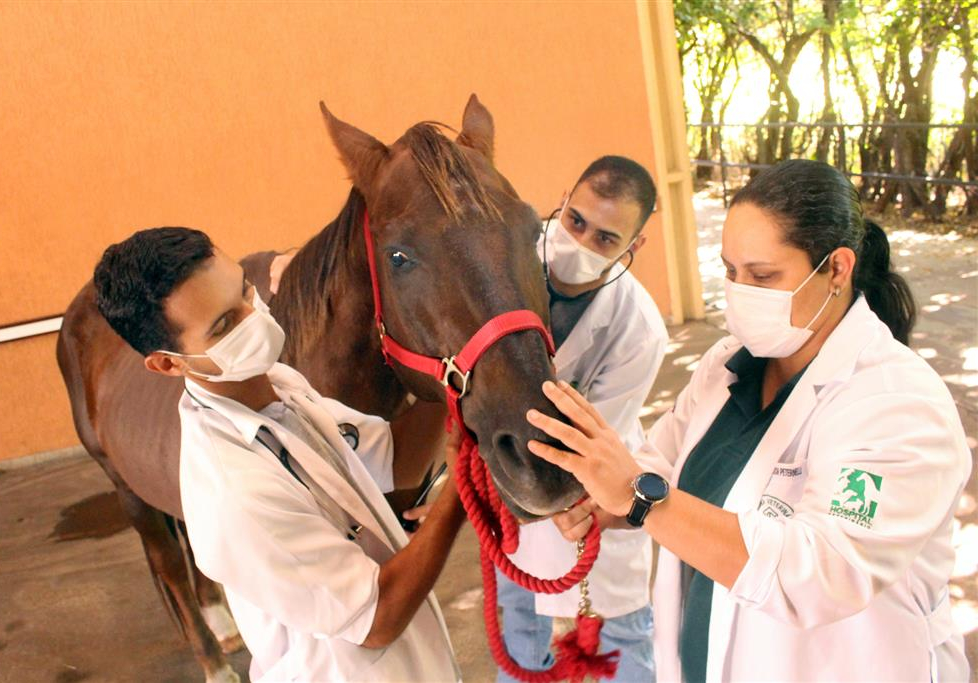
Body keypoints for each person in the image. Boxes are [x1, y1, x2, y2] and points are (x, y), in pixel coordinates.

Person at [526, 160, 971, 682]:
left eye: (762, 276)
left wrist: (636, 497)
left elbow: (824, 574)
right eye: (731, 271)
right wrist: (605, 503)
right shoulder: (724, 367)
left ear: (836, 269)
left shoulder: (898, 405)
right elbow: (658, 467)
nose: (740, 291)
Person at [93, 227, 463, 682]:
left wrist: (455, 364)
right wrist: (459, 495)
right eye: (225, 325)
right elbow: (379, 618)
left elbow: (396, 457)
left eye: (244, 291)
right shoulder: (236, 493)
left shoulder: (279, 385)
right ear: (169, 363)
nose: (255, 316)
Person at [497, 156, 668, 681]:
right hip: (510, 502)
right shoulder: (506, 259)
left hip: (586, 498)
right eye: (576, 222)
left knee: (622, 646)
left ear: (632, 248)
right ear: (565, 200)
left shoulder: (639, 329)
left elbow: (590, 443)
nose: (582, 242)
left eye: (605, 239)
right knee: (520, 641)